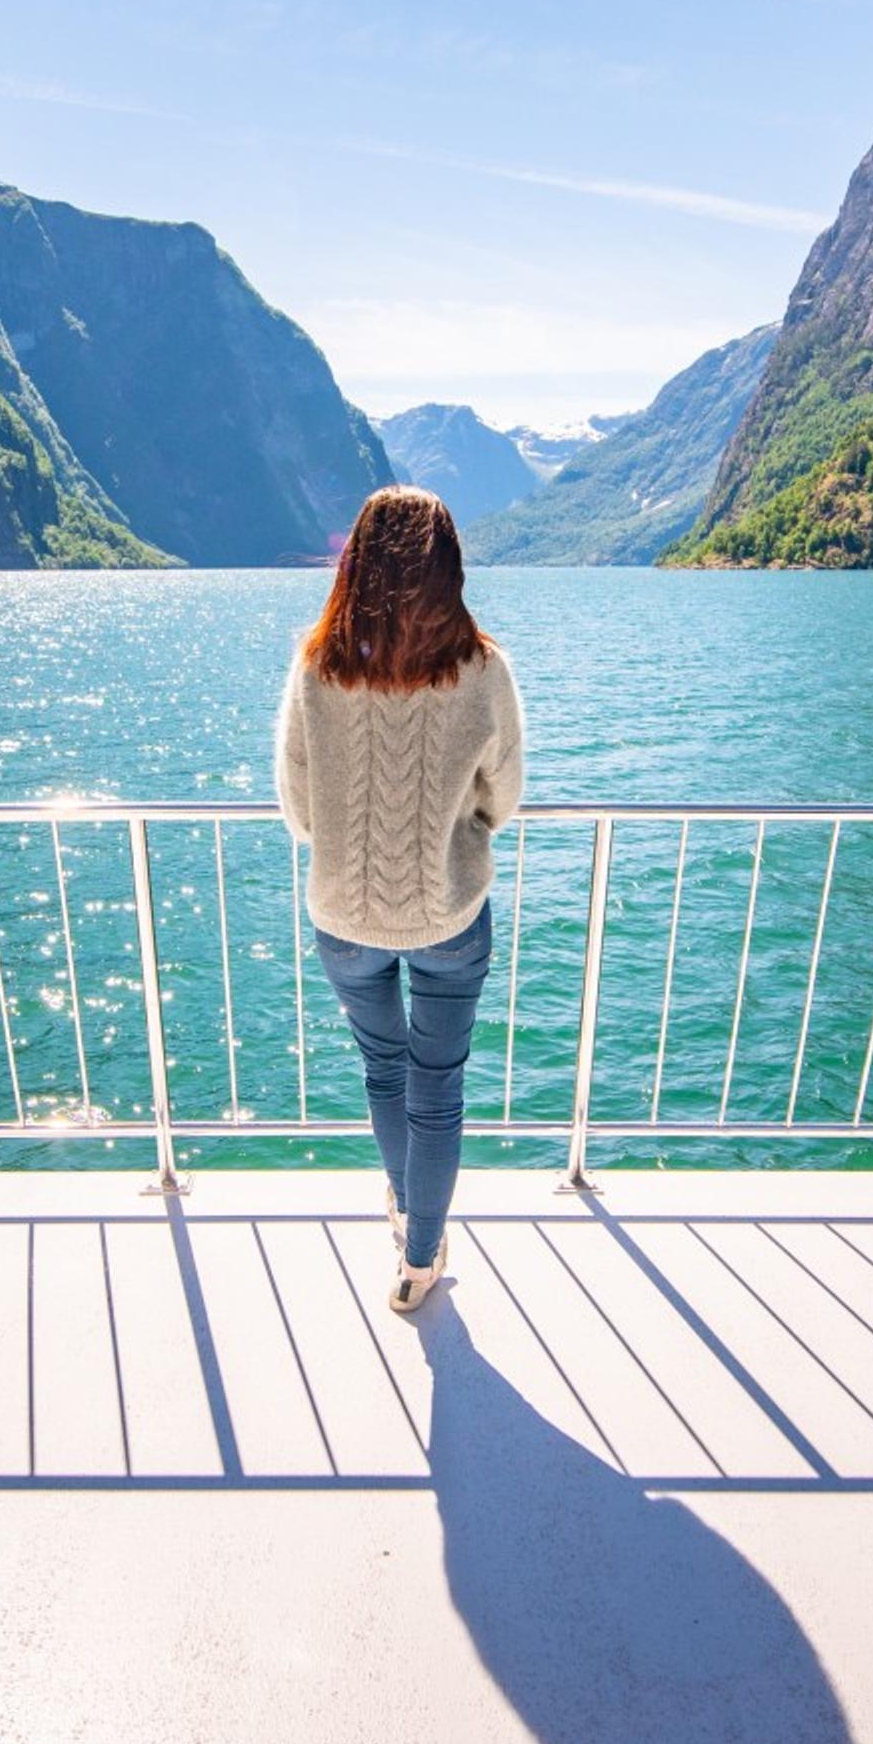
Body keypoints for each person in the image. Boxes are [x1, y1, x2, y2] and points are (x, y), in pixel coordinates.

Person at [275, 486, 527, 1315]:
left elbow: (297, 805)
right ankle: (421, 1254)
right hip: (449, 911)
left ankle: (403, 1205)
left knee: (384, 1069)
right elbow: (505, 795)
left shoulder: (319, 664)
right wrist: (460, 833)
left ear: (357, 565)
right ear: (447, 567)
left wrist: (350, 847)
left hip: (343, 911)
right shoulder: (483, 669)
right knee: (437, 1085)